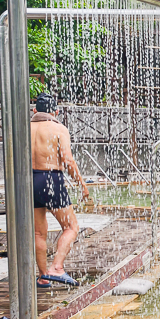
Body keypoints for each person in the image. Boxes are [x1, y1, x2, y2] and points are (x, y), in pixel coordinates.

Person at [30, 92, 89, 289]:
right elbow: (68, 160)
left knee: (39, 233)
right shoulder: (58, 128)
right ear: (55, 112)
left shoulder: (25, 128)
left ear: (34, 110)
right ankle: (57, 267)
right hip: (51, 179)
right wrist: (82, 184)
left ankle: (43, 276)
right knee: (71, 227)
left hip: (30, 179)